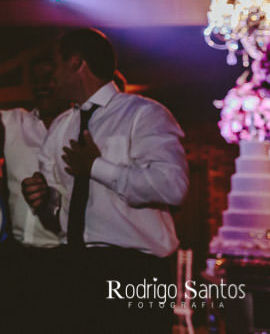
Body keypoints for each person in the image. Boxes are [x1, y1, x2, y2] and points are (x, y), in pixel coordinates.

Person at [21, 28, 188, 334]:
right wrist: (41, 201)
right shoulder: (60, 127)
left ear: (76, 62)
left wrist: (96, 167)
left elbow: (172, 187)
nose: (51, 76)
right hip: (74, 268)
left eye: (56, 65)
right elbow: (57, 220)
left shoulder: (144, 114)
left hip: (136, 271)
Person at [0, 55, 68, 331]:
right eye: (35, 80)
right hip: (18, 260)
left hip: (66, 260)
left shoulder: (83, 128)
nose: (42, 85)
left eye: (49, 77)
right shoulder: (13, 122)